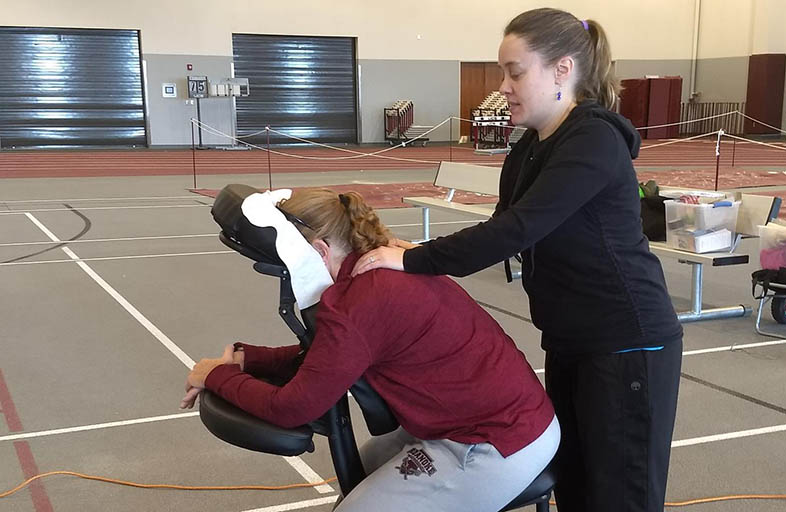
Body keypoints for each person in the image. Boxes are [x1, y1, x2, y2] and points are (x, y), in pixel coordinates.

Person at [352, 8, 683, 512]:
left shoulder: (593, 139)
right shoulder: (527, 147)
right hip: (571, 339)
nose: (503, 85)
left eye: (516, 71)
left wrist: (417, 260)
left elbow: (517, 230)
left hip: (626, 341)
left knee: (618, 496)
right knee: (573, 483)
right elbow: (500, 229)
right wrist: (414, 253)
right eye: (502, 71)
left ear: (563, 70)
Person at [180, 188, 559, 512]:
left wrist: (216, 375)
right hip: (475, 422)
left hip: (493, 442)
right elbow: (336, 355)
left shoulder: (360, 302)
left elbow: (293, 407)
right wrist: (253, 359)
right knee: (360, 477)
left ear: (318, 250)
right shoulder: (372, 270)